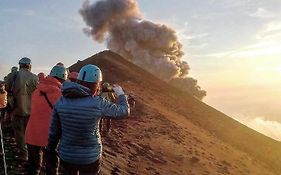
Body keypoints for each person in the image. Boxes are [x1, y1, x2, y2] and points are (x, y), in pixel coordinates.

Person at [46, 64, 130, 175]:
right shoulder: (98, 103)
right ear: (96, 84)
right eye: (98, 84)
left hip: (67, 156)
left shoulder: (61, 101)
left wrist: (51, 149)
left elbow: (54, 132)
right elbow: (124, 111)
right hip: (90, 158)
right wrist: (121, 94)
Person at [25, 65, 67, 175]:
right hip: (50, 137)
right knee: (52, 167)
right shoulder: (60, 95)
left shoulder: (36, 91)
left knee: (33, 167)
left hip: (32, 133)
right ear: (62, 78)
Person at [7, 57, 38, 161]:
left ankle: (24, 154)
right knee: (28, 132)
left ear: (20, 65)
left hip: (17, 109)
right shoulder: (34, 77)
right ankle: (31, 154)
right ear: (29, 65)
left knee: (19, 133)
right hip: (31, 110)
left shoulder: (13, 75)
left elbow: (6, 87)